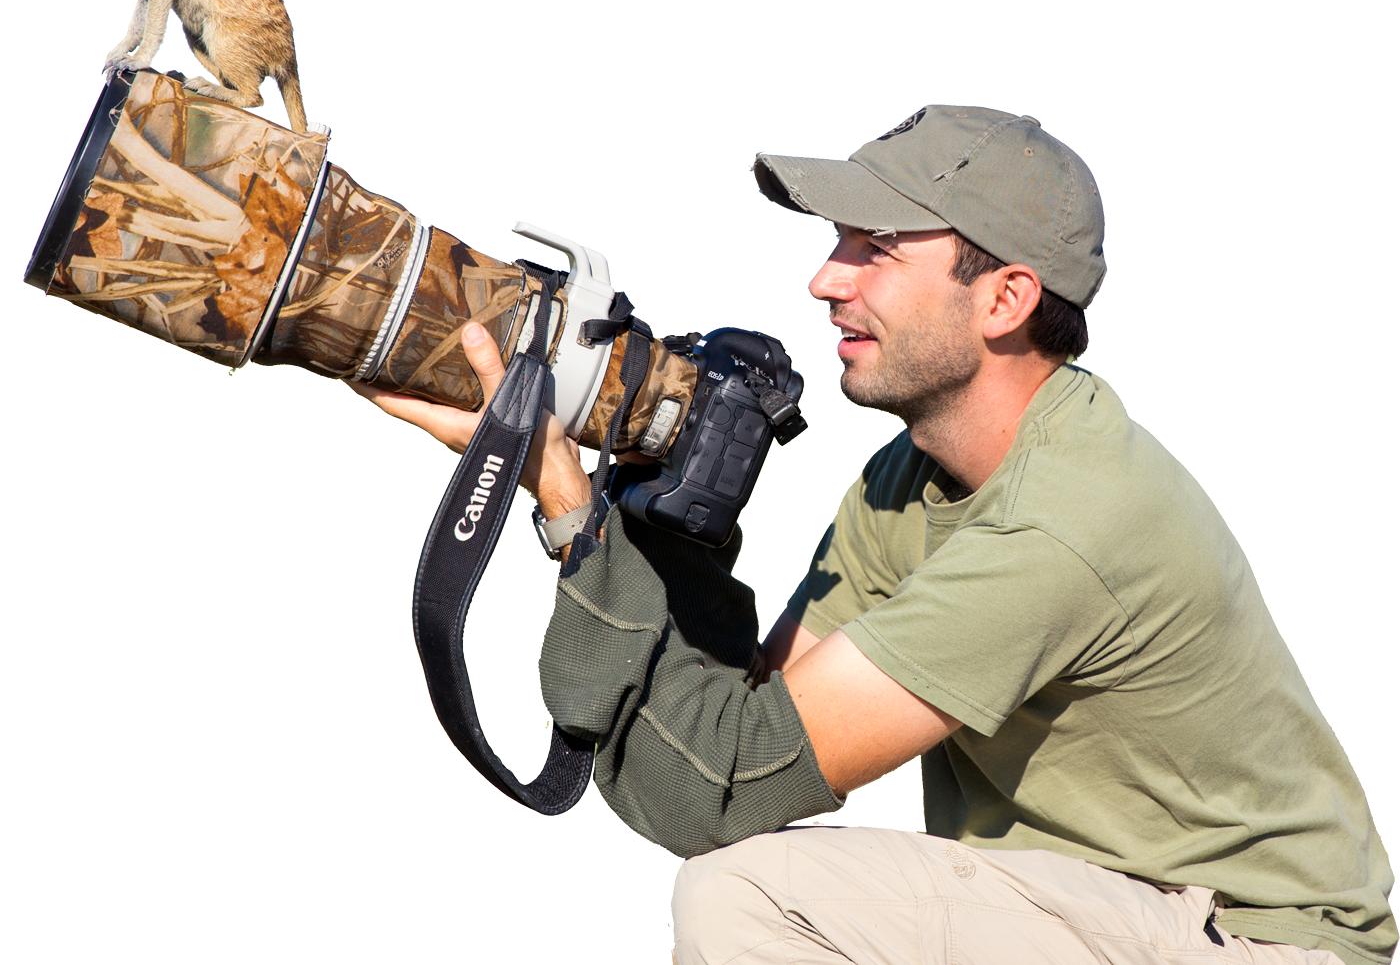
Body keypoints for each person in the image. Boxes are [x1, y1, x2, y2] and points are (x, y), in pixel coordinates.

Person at [358, 106, 1395, 965]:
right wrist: (662, 502)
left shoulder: (1064, 522)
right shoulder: (911, 481)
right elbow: (730, 739)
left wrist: (569, 505)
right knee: (752, 873)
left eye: (876, 249)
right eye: (835, 242)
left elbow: (712, 796)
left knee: (749, 899)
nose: (825, 279)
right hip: (1108, 909)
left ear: (1004, 297)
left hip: (1253, 942)